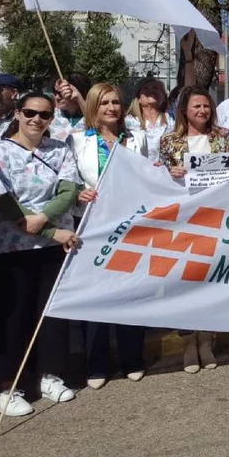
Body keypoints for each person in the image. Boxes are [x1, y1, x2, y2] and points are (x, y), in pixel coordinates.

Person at [0, 92, 81, 417]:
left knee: (51, 313)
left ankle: (50, 375)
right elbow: (2, 201)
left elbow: (69, 188)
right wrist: (46, 228)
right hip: (12, 246)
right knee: (13, 316)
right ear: (17, 113)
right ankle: (8, 386)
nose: (36, 120)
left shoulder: (58, 149)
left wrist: (43, 220)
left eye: (44, 115)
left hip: (55, 245)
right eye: (30, 112)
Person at [70, 84, 149, 390]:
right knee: (96, 296)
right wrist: (79, 192)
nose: (112, 108)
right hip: (93, 227)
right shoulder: (77, 141)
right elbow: (69, 180)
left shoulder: (136, 138)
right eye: (104, 103)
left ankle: (132, 359)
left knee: (130, 294)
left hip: (131, 226)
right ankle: (97, 363)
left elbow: (147, 175)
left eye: (116, 102)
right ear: (93, 106)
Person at [158, 86, 229, 372]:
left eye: (206, 106)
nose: (203, 111)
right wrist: (168, 174)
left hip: (215, 216)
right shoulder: (169, 141)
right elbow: (158, 181)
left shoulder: (223, 137)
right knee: (185, 281)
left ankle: (206, 339)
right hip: (184, 219)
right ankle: (188, 341)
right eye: (196, 107)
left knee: (211, 280)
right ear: (184, 111)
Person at [125, 77, 174, 163]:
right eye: (145, 89)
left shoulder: (172, 120)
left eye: (156, 88)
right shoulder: (128, 122)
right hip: (137, 171)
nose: (151, 91)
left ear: (163, 96)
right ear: (138, 98)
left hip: (165, 173)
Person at [49, 73, 92, 141]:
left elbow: (98, 127)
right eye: (55, 93)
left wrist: (78, 98)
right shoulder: (49, 116)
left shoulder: (93, 116)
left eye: (61, 94)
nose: (57, 97)